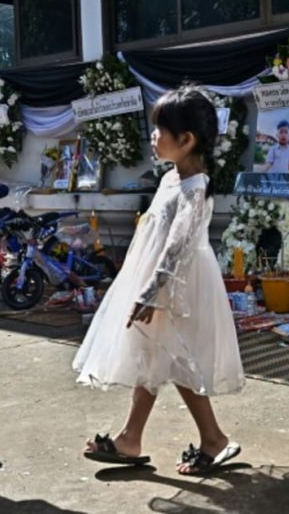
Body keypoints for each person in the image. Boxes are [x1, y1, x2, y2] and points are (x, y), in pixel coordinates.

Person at [74, 86, 244, 476]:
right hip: (159, 281)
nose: (153, 137)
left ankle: (211, 439)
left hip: (178, 285)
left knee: (173, 358)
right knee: (156, 357)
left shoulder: (194, 187)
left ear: (186, 140)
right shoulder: (173, 177)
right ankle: (132, 437)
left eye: (160, 130)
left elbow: (177, 247)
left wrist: (154, 291)